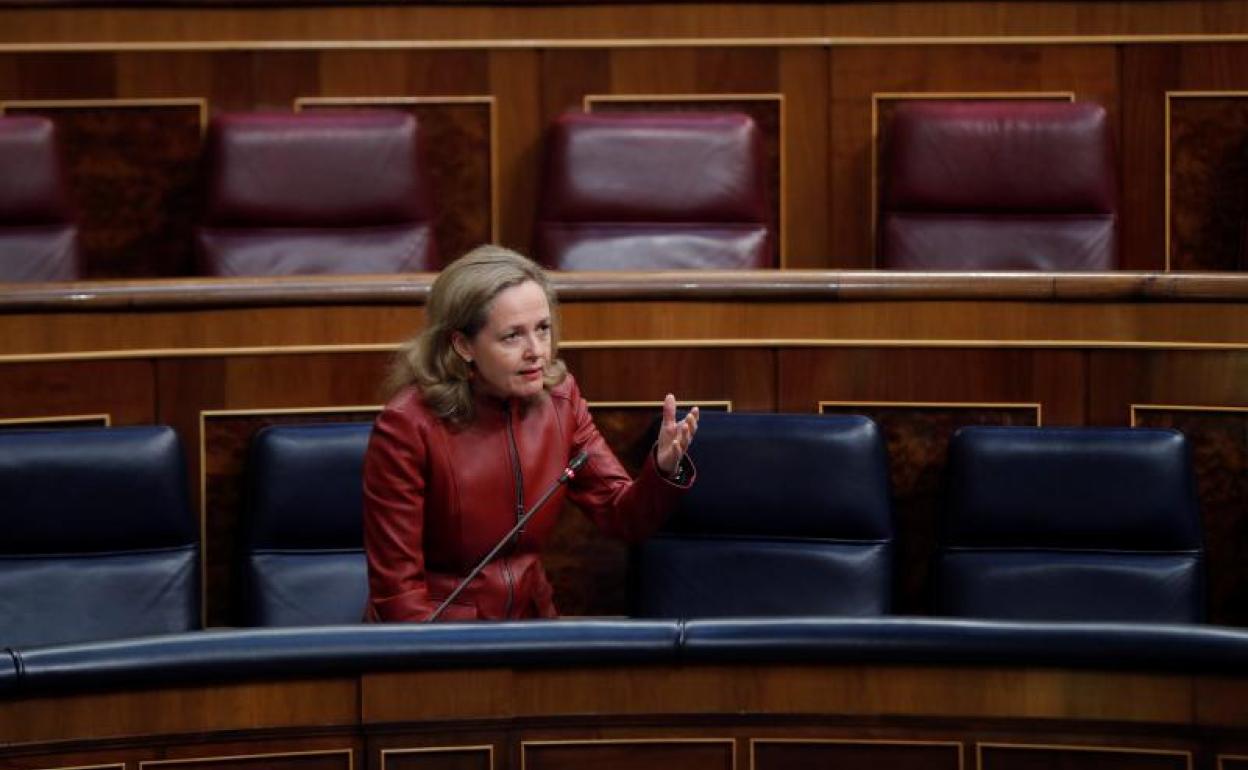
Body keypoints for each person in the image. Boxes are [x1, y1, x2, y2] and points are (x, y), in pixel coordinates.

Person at [363, 245, 699, 622]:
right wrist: (449, 667)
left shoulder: (560, 400)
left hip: (532, 631)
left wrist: (665, 469)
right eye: (512, 337)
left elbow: (623, 517)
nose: (537, 351)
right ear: (463, 345)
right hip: (442, 639)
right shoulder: (407, 427)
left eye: (542, 329)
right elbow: (399, 595)